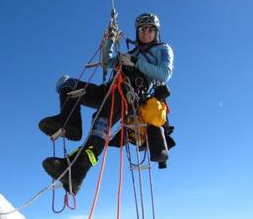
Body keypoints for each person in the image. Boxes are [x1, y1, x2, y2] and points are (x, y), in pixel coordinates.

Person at [39, 13, 174, 195]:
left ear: (156, 32)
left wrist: (136, 63)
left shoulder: (162, 49)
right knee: (67, 83)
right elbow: (108, 62)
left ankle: (78, 171)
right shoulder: (131, 52)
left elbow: (164, 73)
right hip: (109, 89)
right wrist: (110, 41)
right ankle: (70, 123)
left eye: (150, 29)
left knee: (100, 125)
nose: (146, 33)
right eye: (142, 29)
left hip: (129, 93)